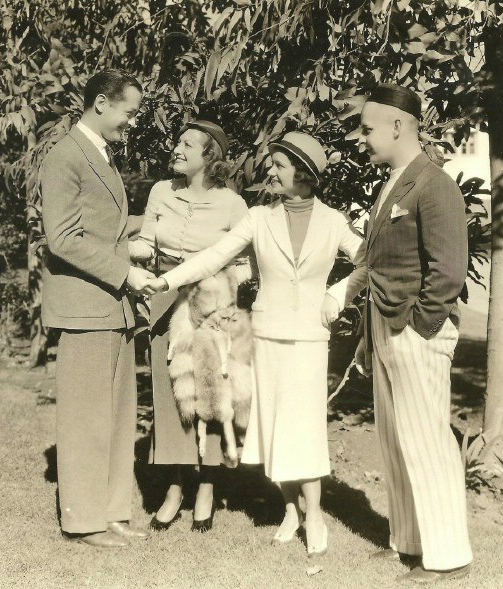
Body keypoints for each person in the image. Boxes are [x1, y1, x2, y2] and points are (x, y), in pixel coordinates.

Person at [146, 132, 363, 557]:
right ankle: (289, 509)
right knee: (273, 423)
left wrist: (338, 295)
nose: (271, 171)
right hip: (266, 331)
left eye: (280, 164)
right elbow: (216, 255)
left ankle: (314, 513)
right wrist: (168, 279)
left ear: (303, 172)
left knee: (307, 423)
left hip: (311, 336)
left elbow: (368, 261)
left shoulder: (334, 221)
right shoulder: (260, 217)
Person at [327, 83, 473, 582]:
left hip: (416, 332)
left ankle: (447, 557)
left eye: (367, 129)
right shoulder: (392, 183)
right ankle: (408, 544)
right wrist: (373, 335)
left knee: (428, 439)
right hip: (386, 329)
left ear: (397, 126)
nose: (361, 139)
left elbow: (449, 270)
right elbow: (376, 265)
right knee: (395, 441)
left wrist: (420, 328)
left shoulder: (434, 184)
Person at [40, 69, 154, 548]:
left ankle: (111, 512)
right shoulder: (65, 155)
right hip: (86, 308)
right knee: (87, 417)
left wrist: (148, 229)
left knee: (116, 416)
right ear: (102, 103)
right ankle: (84, 520)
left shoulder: (99, 155)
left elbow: (101, 226)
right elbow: (62, 238)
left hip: (111, 308)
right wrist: (126, 272)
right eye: (128, 113)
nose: (131, 123)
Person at [129, 120, 251, 533]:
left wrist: (221, 290)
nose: (176, 149)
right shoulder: (162, 191)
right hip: (163, 300)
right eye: (178, 142)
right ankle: (177, 485)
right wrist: (122, 252)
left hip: (211, 306)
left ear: (209, 156)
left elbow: (248, 262)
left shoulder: (232, 204)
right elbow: (147, 242)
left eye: (187, 144)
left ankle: (208, 485)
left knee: (209, 390)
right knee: (169, 395)